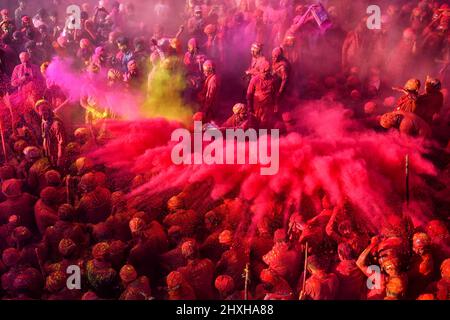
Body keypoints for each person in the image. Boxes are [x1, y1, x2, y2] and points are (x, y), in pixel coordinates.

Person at [247, 60, 277, 128]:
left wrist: (275, 104)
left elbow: (275, 93)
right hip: (257, 107)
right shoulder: (254, 80)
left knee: (266, 124)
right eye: (263, 71)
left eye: (267, 71)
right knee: (256, 123)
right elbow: (249, 94)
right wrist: (250, 108)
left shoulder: (272, 79)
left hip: (268, 106)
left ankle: (265, 137)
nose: (265, 73)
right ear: (260, 71)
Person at [36, 100, 66, 168]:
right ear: (38, 112)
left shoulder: (56, 123)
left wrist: (60, 157)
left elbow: (61, 142)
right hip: (49, 155)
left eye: (46, 109)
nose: (45, 111)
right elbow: (45, 137)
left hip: (56, 155)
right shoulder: (43, 122)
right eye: (42, 110)